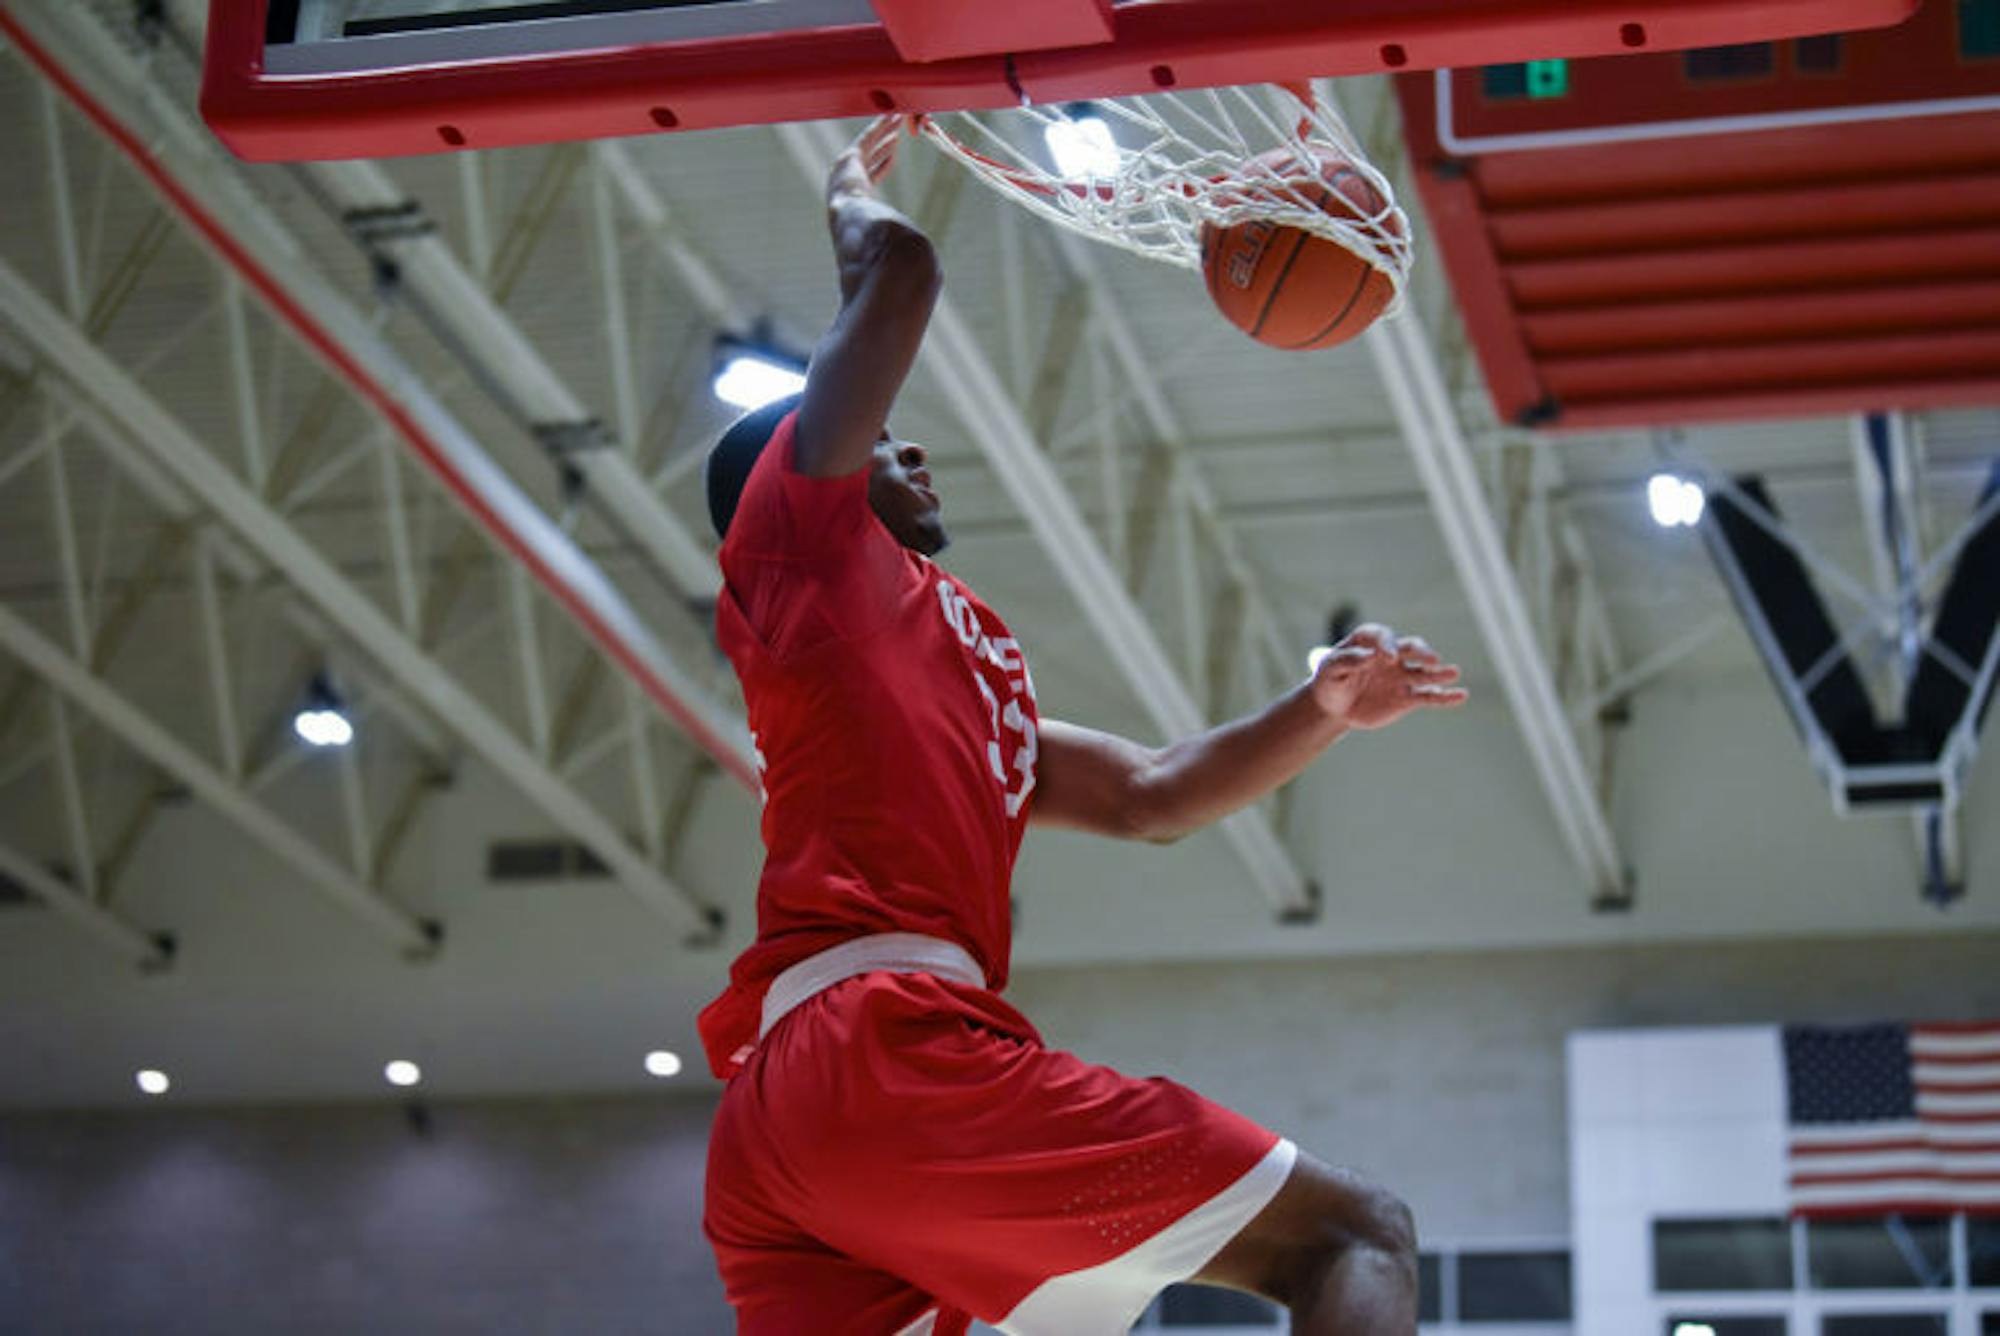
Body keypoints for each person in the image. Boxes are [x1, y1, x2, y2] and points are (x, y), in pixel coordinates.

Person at [699, 115, 1467, 1336]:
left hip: (785, 1120)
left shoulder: (957, 658)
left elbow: (1150, 792)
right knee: (1351, 1233)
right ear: (790, 479)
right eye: (877, 441)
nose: (910, 446)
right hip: (884, 1050)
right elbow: (898, 274)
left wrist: (1319, 709)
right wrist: (844, 184)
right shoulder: (800, 550)